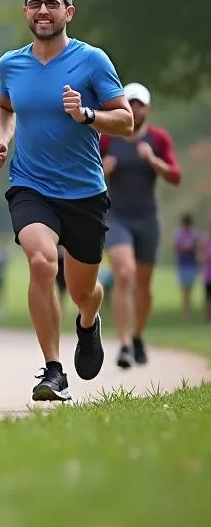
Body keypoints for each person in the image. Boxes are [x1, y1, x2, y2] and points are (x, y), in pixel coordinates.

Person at [0, 0, 132, 402]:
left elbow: (124, 120)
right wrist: (2, 139)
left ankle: (88, 321)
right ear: (25, 11)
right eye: (35, 3)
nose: (43, 10)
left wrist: (88, 114)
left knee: (85, 289)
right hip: (31, 185)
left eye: (52, 3)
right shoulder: (10, 63)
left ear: (69, 10)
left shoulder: (92, 60)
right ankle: (53, 370)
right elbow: (3, 107)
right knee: (41, 262)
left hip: (85, 192)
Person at [99, 82, 181, 367]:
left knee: (143, 285)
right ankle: (123, 345)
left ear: (148, 109)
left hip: (147, 218)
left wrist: (154, 161)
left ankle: (137, 336)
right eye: (130, 103)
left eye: (140, 104)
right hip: (116, 216)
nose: (135, 109)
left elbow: (175, 176)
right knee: (124, 275)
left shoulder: (158, 139)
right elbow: (87, 172)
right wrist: (103, 169)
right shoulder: (108, 139)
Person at [173, 214, 201, 321]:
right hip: (182, 265)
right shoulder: (178, 234)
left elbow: (197, 247)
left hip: (191, 265)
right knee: (184, 290)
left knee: (190, 290)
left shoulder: (195, 234)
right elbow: (175, 247)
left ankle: (188, 312)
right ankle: (186, 313)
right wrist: (184, 248)